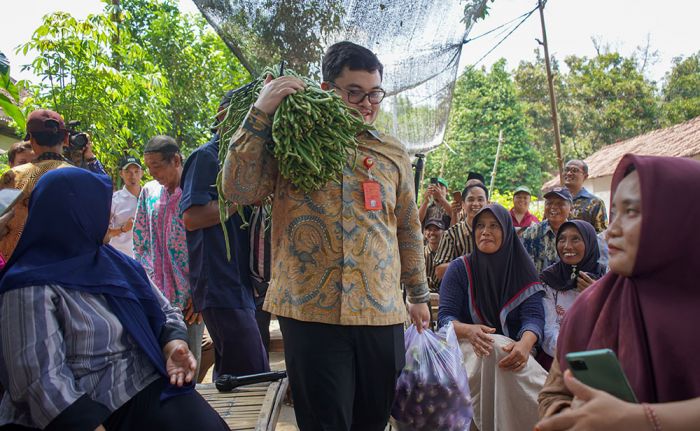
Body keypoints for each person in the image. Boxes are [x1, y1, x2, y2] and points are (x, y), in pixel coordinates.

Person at [222, 41, 430, 431]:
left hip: (380, 312)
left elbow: (407, 226)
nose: (366, 103)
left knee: (372, 420)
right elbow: (237, 190)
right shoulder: (291, 139)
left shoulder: (393, 153)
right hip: (310, 311)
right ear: (325, 88)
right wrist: (261, 112)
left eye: (374, 93)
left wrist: (418, 294)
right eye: (354, 92)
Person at [0, 168, 229, 431]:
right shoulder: (29, 286)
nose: (109, 216)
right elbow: (39, 381)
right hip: (90, 412)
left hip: (146, 386)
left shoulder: (114, 263)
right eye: (99, 207)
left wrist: (173, 344)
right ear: (72, 213)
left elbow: (164, 311)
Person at [537, 154, 700, 431]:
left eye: (632, 212)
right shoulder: (591, 306)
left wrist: (639, 419)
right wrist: (572, 414)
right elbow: (553, 393)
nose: (611, 231)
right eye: (615, 213)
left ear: (679, 218)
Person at [180, 91, 269, 378]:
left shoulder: (243, 163)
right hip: (220, 283)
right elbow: (192, 218)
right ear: (222, 117)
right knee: (254, 373)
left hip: (238, 284)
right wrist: (241, 198)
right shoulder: (206, 157)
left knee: (234, 374)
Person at [438, 204, 546, 431]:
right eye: (480, 226)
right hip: (468, 350)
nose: (485, 231)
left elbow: (533, 317)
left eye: (494, 226)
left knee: (499, 350)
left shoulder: (521, 269)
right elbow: (445, 318)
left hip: (514, 351)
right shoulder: (460, 268)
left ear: (507, 232)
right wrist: (469, 330)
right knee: (492, 348)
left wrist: (525, 345)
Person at [133, 135, 204, 379]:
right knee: (156, 363)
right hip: (156, 297)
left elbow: (207, 245)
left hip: (189, 300)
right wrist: (145, 282)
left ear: (176, 160)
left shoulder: (195, 191)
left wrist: (200, 291)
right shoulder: (148, 192)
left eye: (157, 166)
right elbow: (140, 241)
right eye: (148, 167)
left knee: (188, 363)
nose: (151, 173)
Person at [538, 220, 606, 369]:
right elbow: (549, 330)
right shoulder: (550, 278)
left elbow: (614, 325)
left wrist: (596, 295)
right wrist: (572, 357)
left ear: (590, 243)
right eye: (562, 239)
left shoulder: (607, 278)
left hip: (598, 356)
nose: (567, 246)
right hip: (557, 357)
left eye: (576, 239)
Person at [433, 182, 489, 280]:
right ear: (463, 204)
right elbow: (439, 272)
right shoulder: (451, 235)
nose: (475, 204)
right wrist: (469, 262)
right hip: (460, 292)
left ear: (488, 203)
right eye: (471, 199)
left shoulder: (495, 233)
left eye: (480, 199)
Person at [521, 187, 573, 273]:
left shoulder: (577, 234)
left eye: (560, 203)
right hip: (537, 284)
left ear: (571, 208)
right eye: (549, 203)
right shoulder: (531, 233)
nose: (553, 207)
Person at [106, 156, 143, 257]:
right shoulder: (114, 200)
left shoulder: (150, 197)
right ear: (121, 174)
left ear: (142, 173)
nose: (133, 176)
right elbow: (104, 234)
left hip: (146, 262)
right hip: (121, 258)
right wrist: (123, 229)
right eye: (128, 171)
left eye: (136, 171)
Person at [563, 159, 607, 233]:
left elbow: (601, 235)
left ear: (585, 176)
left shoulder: (595, 203)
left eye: (574, 170)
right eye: (566, 170)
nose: (569, 173)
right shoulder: (555, 200)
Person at [423, 217, 445, 293]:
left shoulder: (448, 255)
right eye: (429, 230)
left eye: (436, 230)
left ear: (443, 233)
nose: (432, 233)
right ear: (425, 233)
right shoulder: (420, 254)